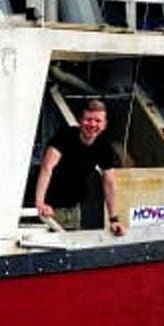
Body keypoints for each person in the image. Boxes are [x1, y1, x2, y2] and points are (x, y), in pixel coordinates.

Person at [33, 98, 126, 234]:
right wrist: (40, 203)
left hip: (74, 208)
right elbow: (47, 167)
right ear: (80, 121)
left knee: (72, 242)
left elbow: (109, 181)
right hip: (49, 207)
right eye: (88, 119)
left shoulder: (104, 147)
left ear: (105, 124)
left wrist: (114, 219)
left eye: (98, 121)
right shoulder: (65, 136)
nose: (92, 124)